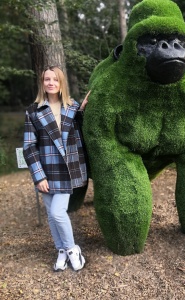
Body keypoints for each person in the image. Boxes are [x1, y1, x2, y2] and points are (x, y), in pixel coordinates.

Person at [23, 66, 90, 272]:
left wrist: (83, 110)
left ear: (61, 83)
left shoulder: (72, 107)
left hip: (68, 169)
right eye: (46, 79)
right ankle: (61, 249)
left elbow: (80, 128)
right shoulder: (33, 111)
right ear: (42, 83)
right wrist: (38, 176)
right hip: (46, 170)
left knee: (57, 212)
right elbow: (29, 146)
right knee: (52, 215)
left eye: (55, 79)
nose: (51, 83)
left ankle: (72, 249)